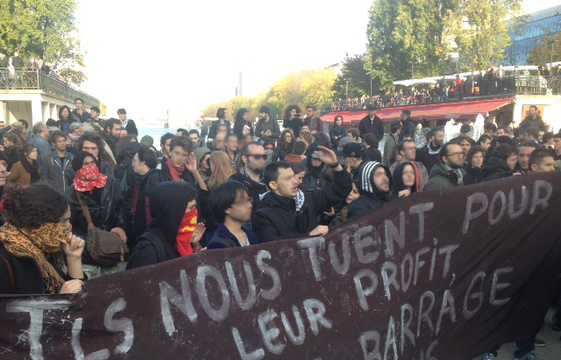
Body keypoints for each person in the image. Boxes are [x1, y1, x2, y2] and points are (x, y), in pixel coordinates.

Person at [0, 185, 86, 294]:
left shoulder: (48, 248)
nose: (69, 227)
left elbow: (78, 295)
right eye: (63, 221)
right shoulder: (5, 258)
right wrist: (60, 301)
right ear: (38, 223)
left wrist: (74, 258)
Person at [253, 146, 351, 241]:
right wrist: (308, 236)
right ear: (274, 185)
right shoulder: (262, 215)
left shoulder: (307, 200)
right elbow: (272, 245)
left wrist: (335, 165)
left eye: (294, 176)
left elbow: (341, 190)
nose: (296, 182)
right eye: (288, 179)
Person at [68, 151, 127, 278]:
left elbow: (121, 207)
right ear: (78, 168)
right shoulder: (72, 193)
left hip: (110, 250)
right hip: (87, 254)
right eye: (85, 164)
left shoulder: (109, 183)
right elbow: (68, 225)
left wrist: (120, 226)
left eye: (93, 163)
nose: (90, 167)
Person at [127, 182, 203, 269]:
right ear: (173, 212)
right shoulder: (147, 251)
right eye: (190, 208)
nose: (195, 213)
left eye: (195, 208)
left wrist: (196, 248)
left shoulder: (182, 241)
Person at [207, 181, 260, 249]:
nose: (250, 205)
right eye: (242, 202)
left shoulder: (251, 235)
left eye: (249, 200)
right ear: (226, 209)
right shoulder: (218, 243)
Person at [230, 142, 267, 211]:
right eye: (257, 156)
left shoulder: (270, 182)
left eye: (264, 156)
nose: (262, 160)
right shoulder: (234, 183)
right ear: (245, 159)